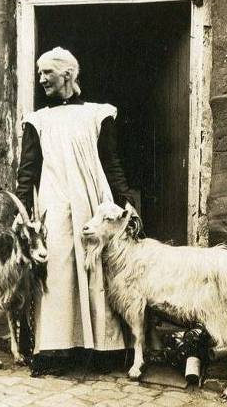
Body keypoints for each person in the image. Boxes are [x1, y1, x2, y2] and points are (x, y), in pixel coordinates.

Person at [15, 47, 133, 375]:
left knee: (94, 269)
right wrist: (25, 214)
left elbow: (111, 162)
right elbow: (27, 172)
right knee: (58, 270)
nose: (41, 79)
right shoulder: (37, 121)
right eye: (39, 73)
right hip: (54, 204)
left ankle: (102, 350)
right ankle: (54, 350)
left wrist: (125, 201)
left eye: (47, 73)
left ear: (67, 74)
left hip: (94, 202)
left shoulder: (97, 115)